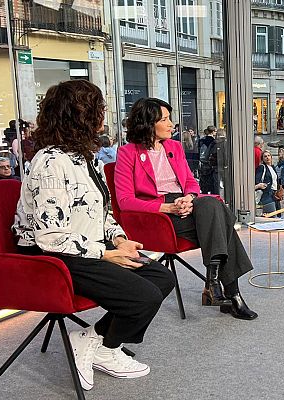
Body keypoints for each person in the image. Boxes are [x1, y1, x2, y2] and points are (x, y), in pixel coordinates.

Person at [12, 80, 175, 391]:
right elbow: (51, 236)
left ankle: (93, 341)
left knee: (161, 279)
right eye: (99, 108)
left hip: (88, 246)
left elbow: (102, 214)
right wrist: (106, 254)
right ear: (80, 115)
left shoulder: (89, 158)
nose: (104, 114)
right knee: (144, 295)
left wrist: (118, 239)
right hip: (52, 256)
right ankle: (105, 346)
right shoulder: (50, 162)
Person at [115, 97, 257, 320]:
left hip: (186, 204)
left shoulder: (174, 147)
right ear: (148, 123)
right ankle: (230, 293)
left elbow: (191, 182)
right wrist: (167, 208)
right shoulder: (127, 153)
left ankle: (213, 283)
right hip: (157, 214)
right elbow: (124, 201)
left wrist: (189, 198)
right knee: (222, 220)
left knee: (212, 204)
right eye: (165, 119)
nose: (172, 124)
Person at [255, 150, 279, 215]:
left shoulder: (273, 167)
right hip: (267, 194)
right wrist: (261, 185)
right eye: (265, 156)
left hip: (274, 194)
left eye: (269, 156)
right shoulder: (262, 167)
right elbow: (257, 180)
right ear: (262, 159)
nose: (267, 157)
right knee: (271, 215)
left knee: (276, 215)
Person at [198, 125, 220, 194]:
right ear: (213, 132)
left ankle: (204, 192)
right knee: (211, 181)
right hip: (210, 163)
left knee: (204, 180)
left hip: (202, 162)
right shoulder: (213, 141)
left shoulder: (201, 140)